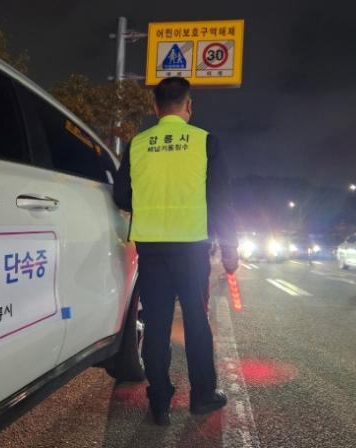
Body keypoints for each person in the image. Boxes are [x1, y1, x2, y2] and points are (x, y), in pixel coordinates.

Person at [113, 77, 238, 426]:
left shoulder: (137, 144)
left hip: (151, 249)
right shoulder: (205, 142)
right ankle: (202, 397)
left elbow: (121, 196)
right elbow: (221, 201)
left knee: (156, 325)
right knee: (197, 321)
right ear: (189, 106)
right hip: (192, 248)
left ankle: (160, 402)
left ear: (155, 107)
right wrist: (230, 247)